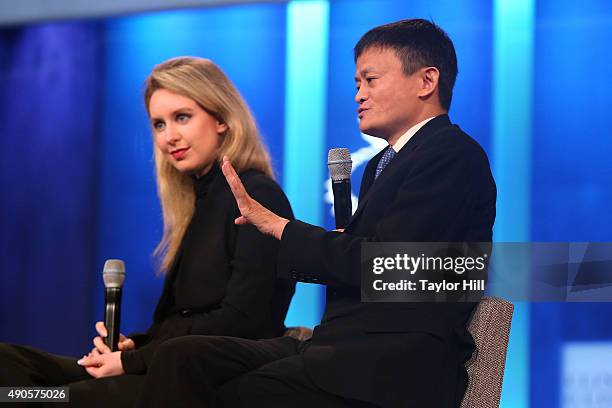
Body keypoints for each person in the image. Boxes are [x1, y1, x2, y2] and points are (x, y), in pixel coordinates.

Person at [137, 19, 496, 408]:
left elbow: (387, 267)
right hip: (338, 350)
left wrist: (280, 229)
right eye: (357, 83)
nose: (359, 94)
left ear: (426, 81)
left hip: (390, 366)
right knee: (182, 357)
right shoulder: (382, 165)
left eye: (370, 80)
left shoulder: (452, 156)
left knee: (228, 394)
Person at [0, 57, 295, 406]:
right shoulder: (198, 202)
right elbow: (176, 324)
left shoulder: (256, 195)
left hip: (207, 375)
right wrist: (133, 346)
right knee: (10, 367)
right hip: (158, 362)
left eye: (182, 117)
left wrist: (131, 360)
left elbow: (244, 320)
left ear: (221, 119)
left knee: (49, 400)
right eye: (158, 124)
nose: (169, 137)